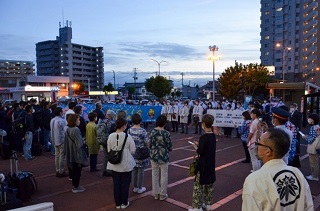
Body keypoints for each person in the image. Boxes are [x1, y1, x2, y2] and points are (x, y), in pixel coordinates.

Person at [242, 128, 314, 211]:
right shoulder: (297, 173)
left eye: (259, 143)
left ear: (268, 152)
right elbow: (308, 207)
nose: (257, 146)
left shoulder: (255, 179)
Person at [188, 114, 216, 211]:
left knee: (198, 188)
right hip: (211, 165)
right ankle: (208, 205)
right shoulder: (213, 136)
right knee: (209, 186)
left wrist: (196, 146)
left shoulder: (203, 137)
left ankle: (197, 207)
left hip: (202, 165)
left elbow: (201, 151)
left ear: (203, 124)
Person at [107, 118, 136, 209]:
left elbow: (109, 149)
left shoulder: (111, 136)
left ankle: (117, 203)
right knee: (125, 183)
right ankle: (124, 202)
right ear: (124, 126)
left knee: (116, 184)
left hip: (114, 164)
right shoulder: (128, 136)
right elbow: (133, 150)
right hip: (126, 164)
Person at [149, 115, 172, 201]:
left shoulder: (152, 132)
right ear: (165, 123)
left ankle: (156, 193)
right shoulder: (166, 133)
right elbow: (169, 146)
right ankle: (162, 194)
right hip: (163, 156)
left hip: (154, 155)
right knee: (164, 175)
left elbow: (149, 143)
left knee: (154, 174)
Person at [65, 114, 87, 193]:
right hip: (77, 153)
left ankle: (75, 185)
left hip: (71, 152)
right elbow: (79, 144)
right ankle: (76, 186)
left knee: (74, 170)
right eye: (78, 120)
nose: (79, 121)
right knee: (77, 171)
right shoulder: (76, 130)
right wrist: (83, 141)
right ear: (74, 121)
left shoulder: (68, 129)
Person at [128, 113, 149, 194]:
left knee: (134, 170)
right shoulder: (142, 131)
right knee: (140, 170)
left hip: (132, 152)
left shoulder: (129, 130)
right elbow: (147, 142)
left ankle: (135, 187)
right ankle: (139, 187)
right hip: (141, 153)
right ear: (140, 121)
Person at [301, 113, 320, 181]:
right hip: (317, 146)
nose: (308, 119)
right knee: (315, 162)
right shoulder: (318, 127)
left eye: (309, 118)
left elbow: (311, 139)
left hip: (313, 147)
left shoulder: (313, 127)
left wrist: (305, 137)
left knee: (313, 162)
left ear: (313, 120)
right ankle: (315, 175)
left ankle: (314, 176)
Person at [50, 107, 68, 178]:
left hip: (54, 139)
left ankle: (57, 170)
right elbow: (65, 130)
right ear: (60, 112)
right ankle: (61, 171)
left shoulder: (52, 120)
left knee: (57, 156)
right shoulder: (62, 121)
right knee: (62, 156)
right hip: (61, 140)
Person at [101, 109, 116, 177]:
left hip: (103, 139)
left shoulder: (102, 121)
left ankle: (104, 170)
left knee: (106, 156)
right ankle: (109, 171)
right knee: (110, 156)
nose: (113, 116)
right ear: (110, 115)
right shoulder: (111, 122)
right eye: (113, 115)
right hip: (109, 140)